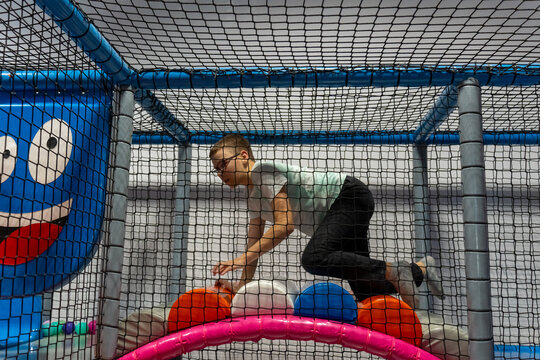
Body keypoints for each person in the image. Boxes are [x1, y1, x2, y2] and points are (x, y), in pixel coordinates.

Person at [209, 134, 444, 308]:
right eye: (216, 170)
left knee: (313, 258)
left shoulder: (262, 171)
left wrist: (241, 258)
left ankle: (397, 270)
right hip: (338, 214)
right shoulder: (252, 198)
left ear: (243, 156)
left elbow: (285, 225)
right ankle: (420, 269)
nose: (221, 173)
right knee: (366, 292)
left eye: (223, 164)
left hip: (348, 197)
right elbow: (254, 246)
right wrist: (242, 285)